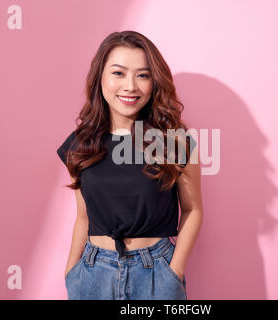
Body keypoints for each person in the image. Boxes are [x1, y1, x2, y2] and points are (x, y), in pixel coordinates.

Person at [56, 30, 203, 300]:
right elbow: (84, 217)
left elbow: (193, 210)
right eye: (118, 73)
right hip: (92, 274)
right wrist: (71, 271)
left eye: (143, 75)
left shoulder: (174, 142)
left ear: (154, 82)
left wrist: (175, 272)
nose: (130, 86)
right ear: (100, 77)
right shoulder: (80, 144)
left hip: (156, 273)